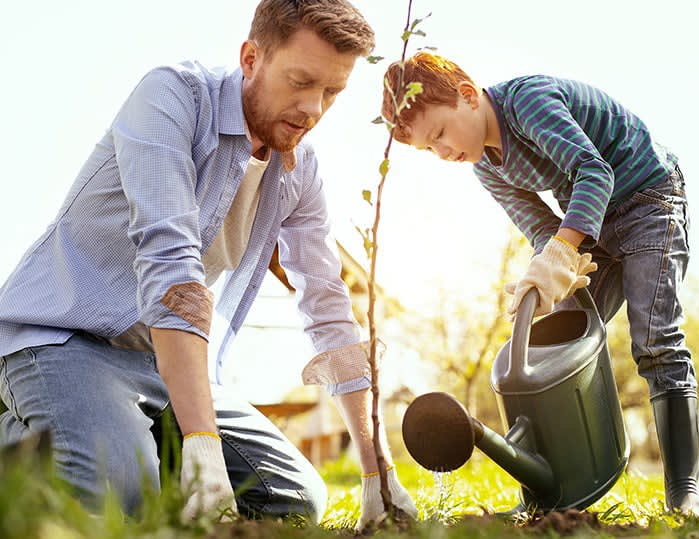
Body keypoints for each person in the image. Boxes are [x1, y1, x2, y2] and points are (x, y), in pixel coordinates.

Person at [0, 0, 417, 528]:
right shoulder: (171, 97)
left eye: (332, 92)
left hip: (165, 361)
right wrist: (201, 445)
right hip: (65, 340)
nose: (314, 108)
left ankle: (127, 442)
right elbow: (170, 258)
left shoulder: (299, 170)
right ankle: (32, 444)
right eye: (300, 81)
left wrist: (374, 466)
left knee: (293, 501)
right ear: (250, 58)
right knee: (119, 496)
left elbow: (327, 304)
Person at [381, 52, 699, 517]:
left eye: (439, 134)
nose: (442, 152)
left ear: (468, 96)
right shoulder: (485, 166)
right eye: (429, 149)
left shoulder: (528, 102)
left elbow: (595, 171)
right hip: (594, 223)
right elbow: (540, 228)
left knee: (656, 339)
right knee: (556, 342)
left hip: (648, 201)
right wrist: (549, 270)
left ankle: (684, 490)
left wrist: (563, 249)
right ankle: (556, 487)